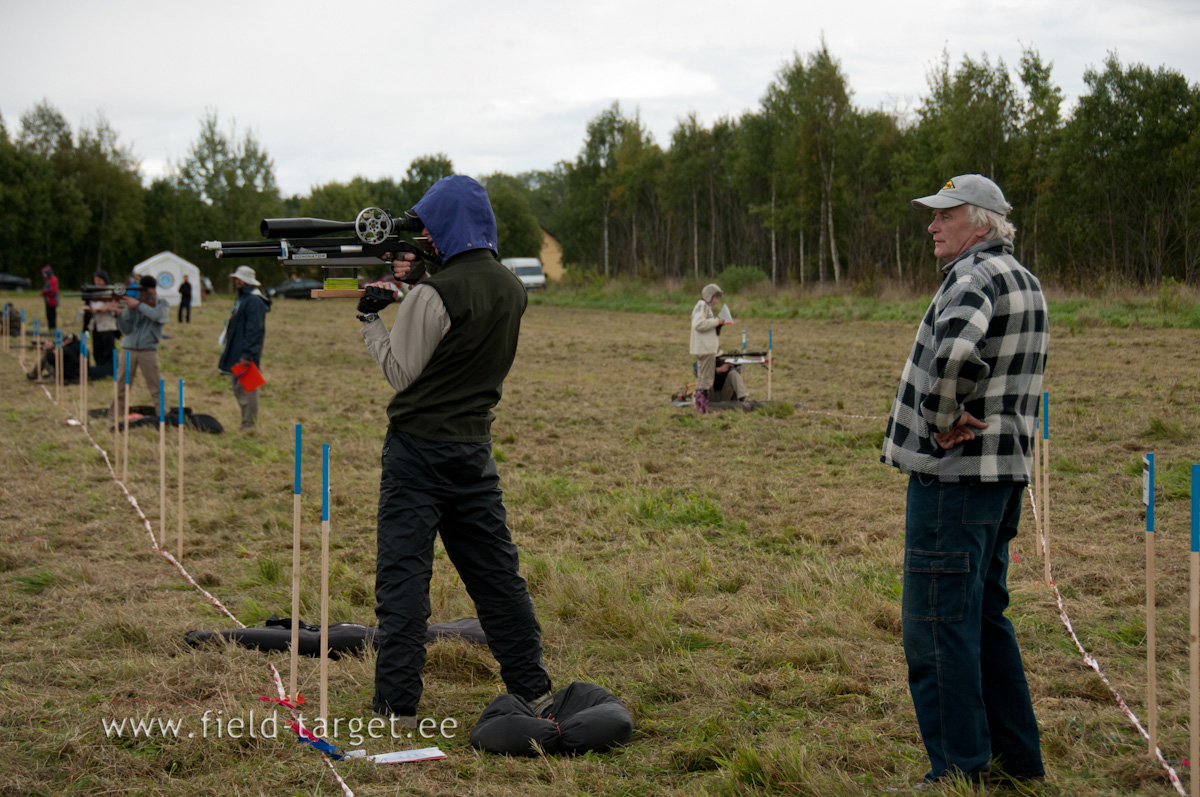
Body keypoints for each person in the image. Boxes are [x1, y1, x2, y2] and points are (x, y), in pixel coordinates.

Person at [356, 174, 552, 723]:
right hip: (473, 452)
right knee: (497, 580)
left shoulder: (432, 294)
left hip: (417, 455)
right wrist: (421, 282)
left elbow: (402, 372)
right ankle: (534, 691)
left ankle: (396, 709)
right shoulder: (513, 288)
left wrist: (371, 318)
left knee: (404, 584)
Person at [880, 174, 1048, 790]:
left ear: (978, 222)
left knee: (934, 626)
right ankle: (1015, 763)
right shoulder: (1024, 279)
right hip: (1001, 480)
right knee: (982, 618)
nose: (931, 226)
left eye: (943, 215)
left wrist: (942, 418)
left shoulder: (973, 278)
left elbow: (953, 355)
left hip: (955, 479)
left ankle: (959, 772)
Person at [217, 265, 271, 431]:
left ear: (248, 281)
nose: (237, 282)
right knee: (239, 387)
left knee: (248, 388)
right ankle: (245, 422)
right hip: (237, 349)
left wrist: (247, 354)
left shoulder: (254, 301)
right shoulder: (244, 299)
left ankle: (248, 425)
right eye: (236, 279)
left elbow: (255, 331)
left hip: (245, 353)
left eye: (240, 279)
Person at [110, 275, 169, 420]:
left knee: (155, 386)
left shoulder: (162, 303)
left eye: (144, 290)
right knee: (122, 385)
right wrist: (118, 315)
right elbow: (127, 330)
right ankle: (114, 415)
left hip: (148, 350)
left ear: (153, 290)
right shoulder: (133, 306)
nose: (141, 293)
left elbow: (157, 316)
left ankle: (163, 414)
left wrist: (139, 305)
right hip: (128, 348)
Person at [689, 283, 732, 413]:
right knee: (705, 381)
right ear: (709, 296)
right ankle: (701, 409)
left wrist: (717, 325)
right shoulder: (702, 306)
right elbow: (699, 324)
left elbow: (705, 327)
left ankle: (701, 408)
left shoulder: (703, 307)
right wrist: (716, 322)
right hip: (706, 350)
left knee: (703, 380)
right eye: (715, 297)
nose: (716, 301)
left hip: (706, 349)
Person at [86, 270, 119, 375]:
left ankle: (110, 369)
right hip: (96, 324)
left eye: (99, 280)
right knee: (97, 348)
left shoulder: (111, 291)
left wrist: (107, 307)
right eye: (95, 280)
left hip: (107, 324)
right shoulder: (93, 291)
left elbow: (118, 306)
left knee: (108, 348)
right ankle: (100, 368)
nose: (97, 282)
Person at [41, 265, 59, 330]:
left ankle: (52, 328)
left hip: (52, 301)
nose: (43, 275)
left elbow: (54, 291)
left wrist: (45, 292)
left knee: (52, 316)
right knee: (49, 316)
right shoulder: (47, 280)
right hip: (48, 301)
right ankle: (50, 328)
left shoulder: (53, 279)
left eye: (44, 274)